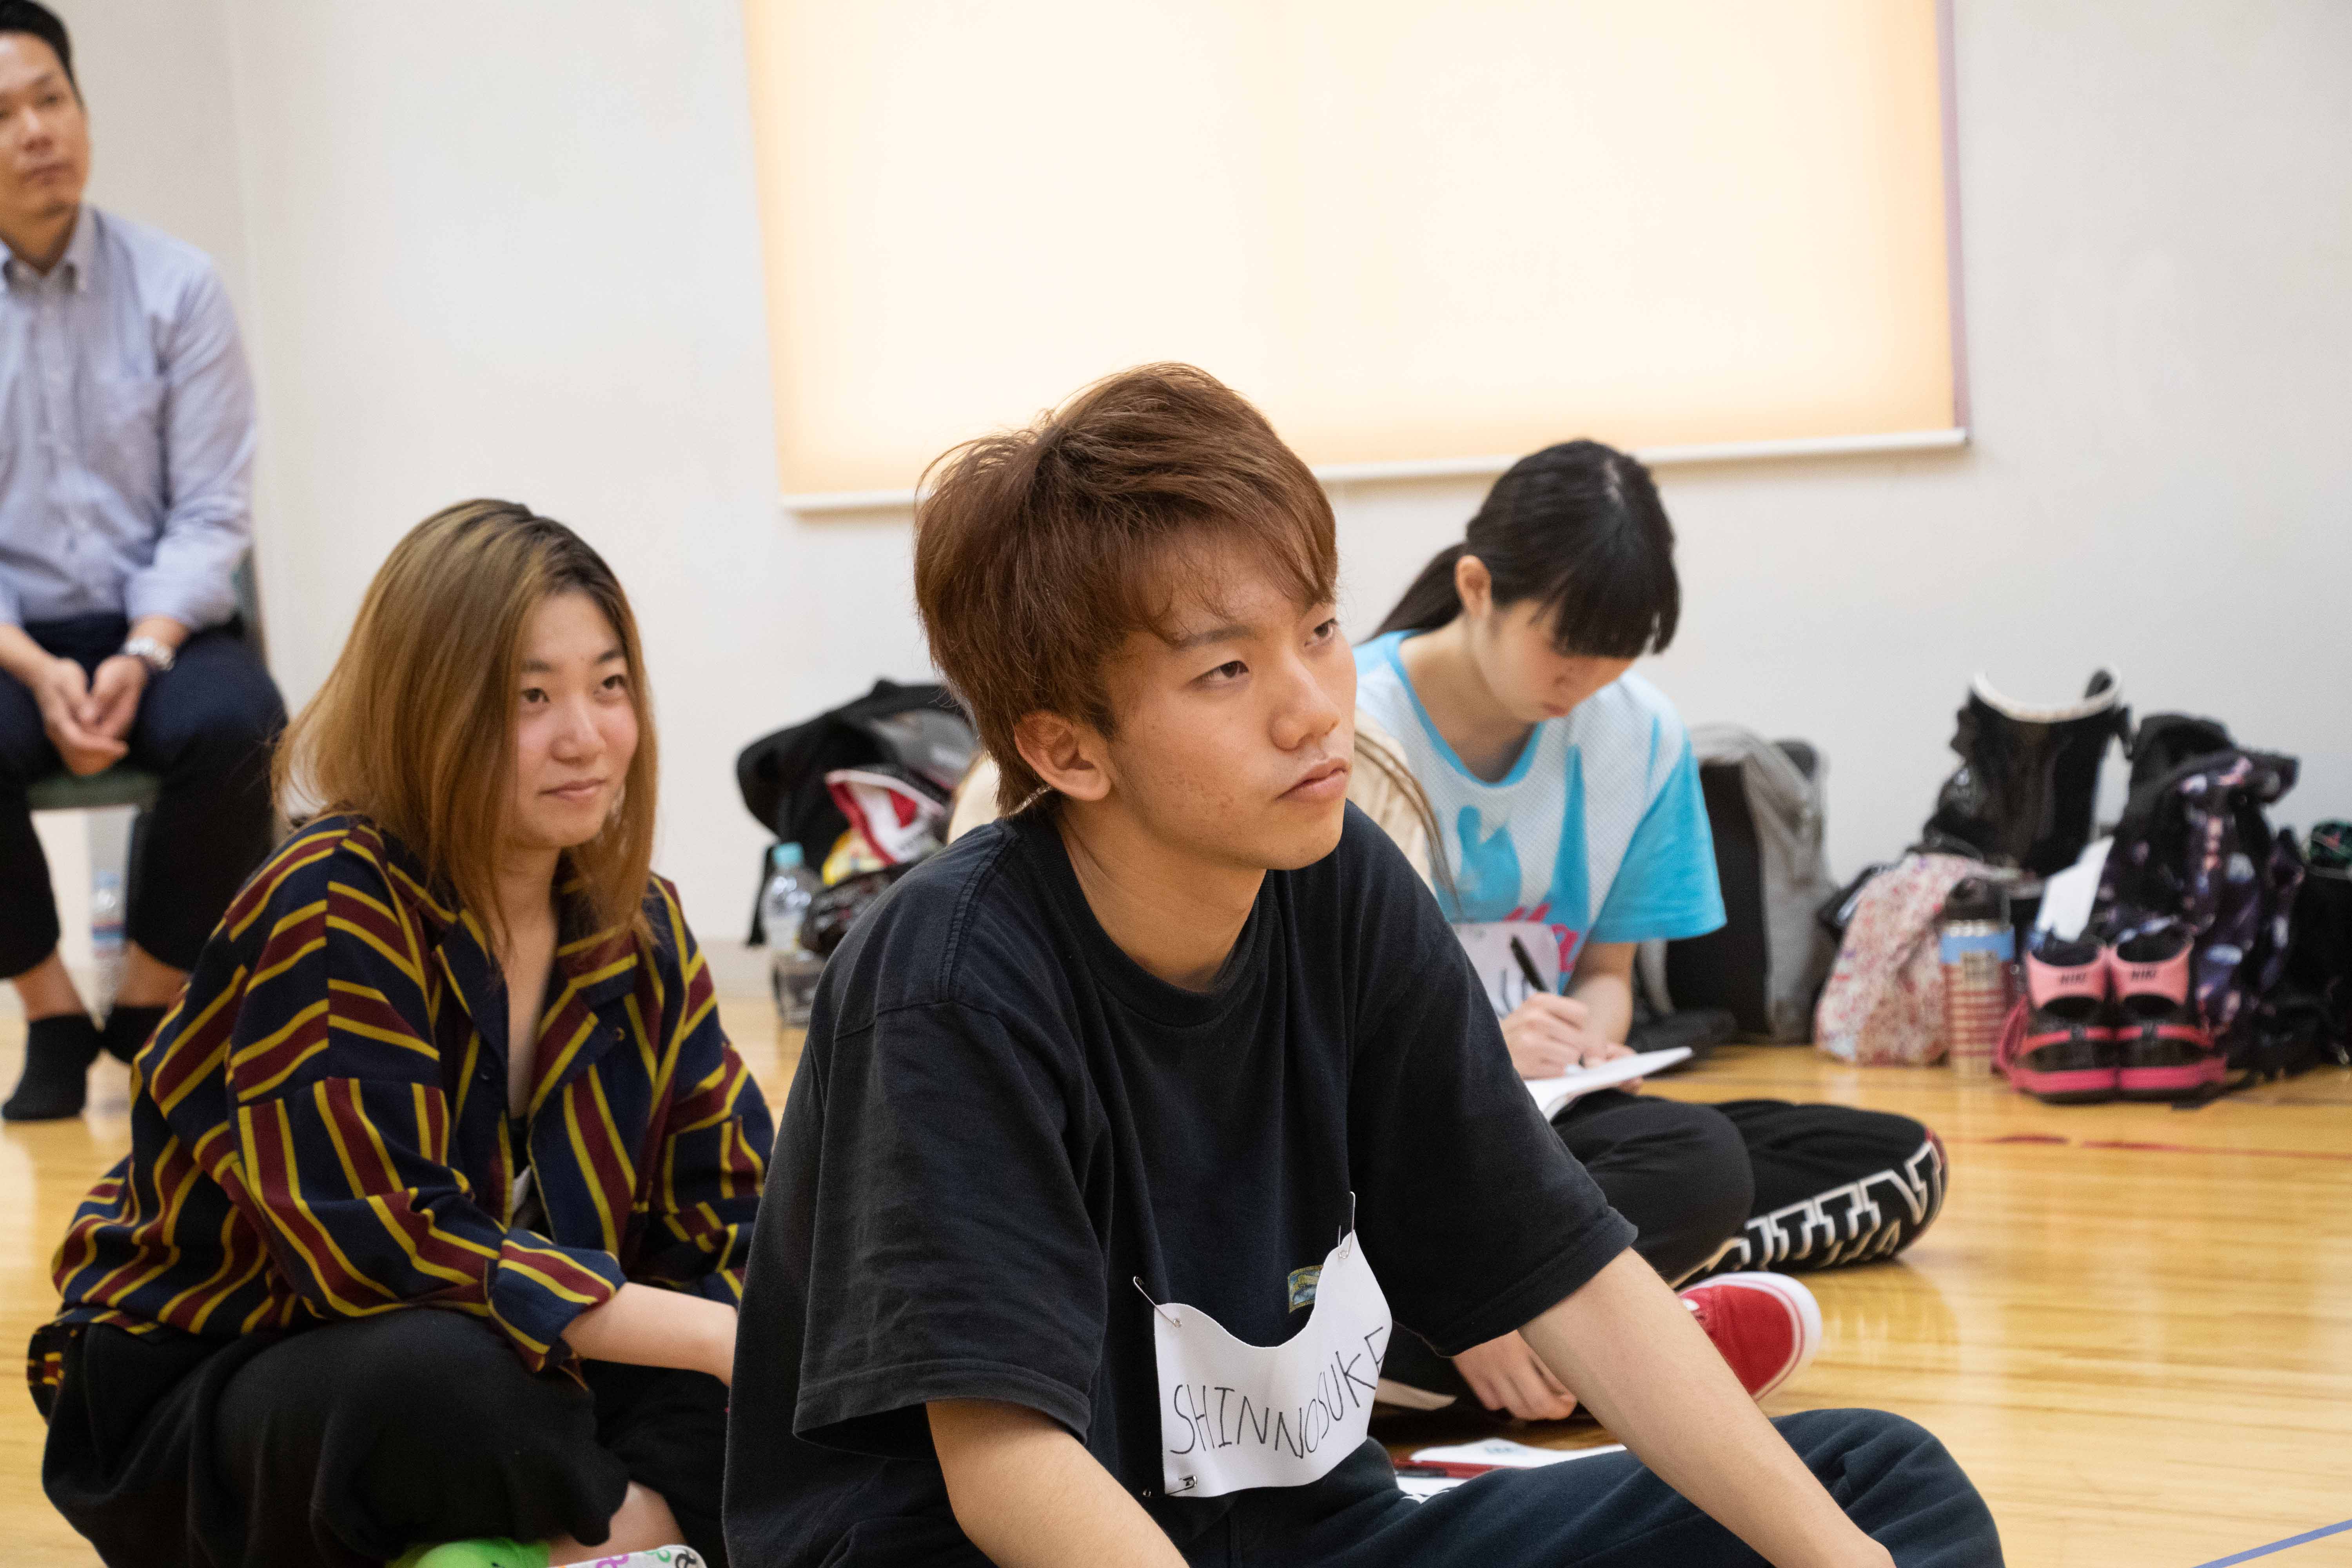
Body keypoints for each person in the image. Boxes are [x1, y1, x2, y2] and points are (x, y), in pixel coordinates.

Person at [724, 364, 2001, 1567]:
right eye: (1227, 670)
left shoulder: (1336, 884)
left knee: (1875, 1490)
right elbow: (1007, 1471)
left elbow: (1569, 1272)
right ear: (1066, 749)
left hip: (1310, 1537)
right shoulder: (952, 979)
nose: (1314, 708)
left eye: (1321, 630)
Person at [31, 502, 770, 1568]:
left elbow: (733, 1209)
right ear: (431, 707)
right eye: (529, 697)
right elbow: (381, 1252)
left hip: (521, 1363)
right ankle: (633, 1533)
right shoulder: (334, 898)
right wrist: (710, 1340)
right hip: (228, 1381)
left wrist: (755, 1339)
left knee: (823, 1373)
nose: (585, 735)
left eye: (609, 685)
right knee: (448, 1378)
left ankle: (562, 1541)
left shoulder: (637, 921)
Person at [1355, 440, 1949, 1418]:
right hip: (1393, 1127)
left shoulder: (1638, 733)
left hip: (1541, 1117)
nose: (1585, 679)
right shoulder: (1353, 729)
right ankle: (1608, 1344)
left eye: (1617, 652)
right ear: (1477, 587)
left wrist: (1591, 1040)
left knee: (1886, 1159)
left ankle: (1465, 1349)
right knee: (1698, 1163)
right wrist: (1484, 1050)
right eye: (1564, 643)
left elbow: (1606, 971)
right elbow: (1313, 1028)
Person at [0, 0, 287, 1120]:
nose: (36, 131)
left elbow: (212, 510)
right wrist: (33, 667)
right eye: (4, 114)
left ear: (81, 109)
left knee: (242, 725)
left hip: (161, 620)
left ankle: (148, 1003)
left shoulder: (179, 285)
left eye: (51, 99)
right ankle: (50, 1010)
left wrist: (143, 648)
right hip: (15, 633)